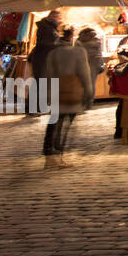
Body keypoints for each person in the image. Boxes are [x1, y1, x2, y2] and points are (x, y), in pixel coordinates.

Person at [41, 26, 94, 168]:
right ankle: (58, 156)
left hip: (56, 93)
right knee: (64, 127)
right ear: (72, 36)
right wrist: (89, 94)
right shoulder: (78, 52)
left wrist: (47, 95)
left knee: (53, 124)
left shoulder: (53, 53)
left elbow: (48, 75)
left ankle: (49, 157)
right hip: (72, 93)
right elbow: (84, 74)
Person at [30, 10, 62, 83]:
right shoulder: (46, 27)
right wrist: (57, 45)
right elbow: (43, 43)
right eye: (59, 18)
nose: (60, 20)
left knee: (40, 82)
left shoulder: (50, 27)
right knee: (41, 82)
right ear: (54, 17)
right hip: (43, 58)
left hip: (44, 57)